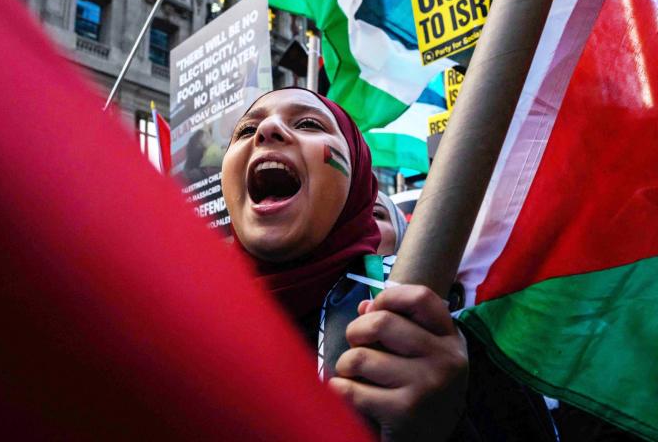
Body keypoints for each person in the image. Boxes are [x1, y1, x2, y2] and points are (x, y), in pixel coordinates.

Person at [221, 87, 556, 441]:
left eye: (307, 123)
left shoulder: (439, 305)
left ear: (358, 184)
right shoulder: (182, 313)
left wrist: (450, 425)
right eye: (245, 130)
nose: (267, 130)